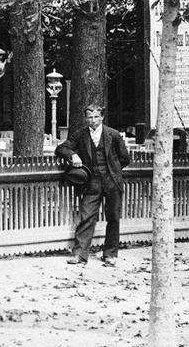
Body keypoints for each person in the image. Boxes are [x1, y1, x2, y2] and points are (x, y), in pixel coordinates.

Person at [56, 103, 131, 266]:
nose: (93, 120)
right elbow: (62, 148)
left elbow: (125, 158)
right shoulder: (80, 135)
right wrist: (73, 155)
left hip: (112, 182)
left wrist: (113, 170)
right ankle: (80, 254)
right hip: (91, 183)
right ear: (86, 118)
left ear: (102, 117)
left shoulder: (114, 135)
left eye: (96, 117)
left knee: (113, 218)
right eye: (89, 117)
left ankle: (110, 254)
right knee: (86, 216)